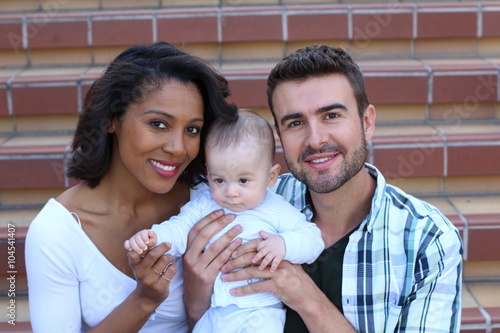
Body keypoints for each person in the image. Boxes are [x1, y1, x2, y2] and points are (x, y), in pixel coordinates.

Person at [185, 44, 464, 332]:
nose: (315, 139)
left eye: (331, 115)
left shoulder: (426, 239)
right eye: (295, 122)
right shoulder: (242, 202)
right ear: (279, 136)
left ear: (367, 123)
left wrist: (306, 298)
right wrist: (196, 301)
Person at [25, 41, 241, 332]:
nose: (179, 148)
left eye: (192, 129)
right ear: (113, 119)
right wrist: (144, 299)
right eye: (158, 124)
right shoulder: (58, 231)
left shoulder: (211, 199)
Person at [125, 110, 324, 332]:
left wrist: (284, 245)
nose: (230, 192)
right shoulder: (205, 204)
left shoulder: (276, 209)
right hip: (214, 312)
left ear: (271, 176)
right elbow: (179, 228)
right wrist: (153, 238)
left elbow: (313, 239)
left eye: (243, 180)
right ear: (208, 172)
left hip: (259, 312)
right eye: (219, 179)